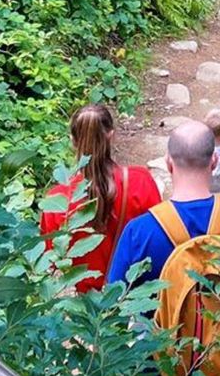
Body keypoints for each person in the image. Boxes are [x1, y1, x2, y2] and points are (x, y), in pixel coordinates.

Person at [108, 119, 220, 356]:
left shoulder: (139, 230)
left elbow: (112, 309)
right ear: (215, 161)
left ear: (169, 164)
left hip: (156, 366)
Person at [40, 103, 161, 293]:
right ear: (111, 135)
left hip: (84, 303)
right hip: (129, 296)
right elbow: (156, 240)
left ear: (73, 141)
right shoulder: (140, 182)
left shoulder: (57, 201)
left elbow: (52, 260)